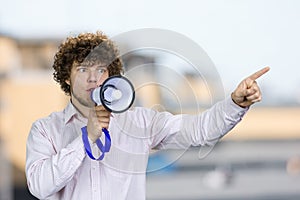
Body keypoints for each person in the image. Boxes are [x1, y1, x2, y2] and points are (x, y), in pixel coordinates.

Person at [25, 31, 269, 200]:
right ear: (66, 77)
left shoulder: (139, 121)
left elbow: (200, 130)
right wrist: (85, 139)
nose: (92, 78)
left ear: (111, 76)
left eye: (100, 69)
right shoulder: (45, 130)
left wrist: (235, 104)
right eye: (82, 69)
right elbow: (39, 186)